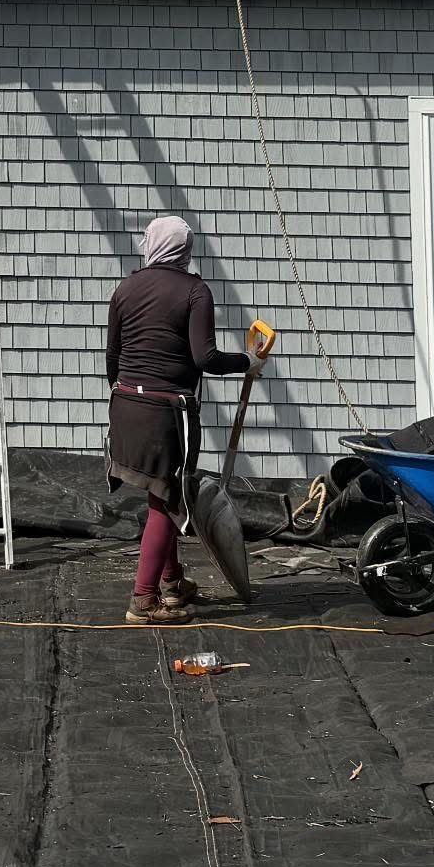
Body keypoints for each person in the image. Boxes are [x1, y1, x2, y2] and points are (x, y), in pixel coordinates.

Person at [105, 216, 272, 625]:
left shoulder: (125, 287)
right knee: (168, 501)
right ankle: (143, 600)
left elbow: (112, 355)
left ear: (152, 245)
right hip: (167, 412)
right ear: (186, 249)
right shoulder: (196, 291)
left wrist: (127, 396)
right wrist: (247, 362)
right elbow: (205, 359)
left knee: (159, 495)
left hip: (125, 405)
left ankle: (172, 584)